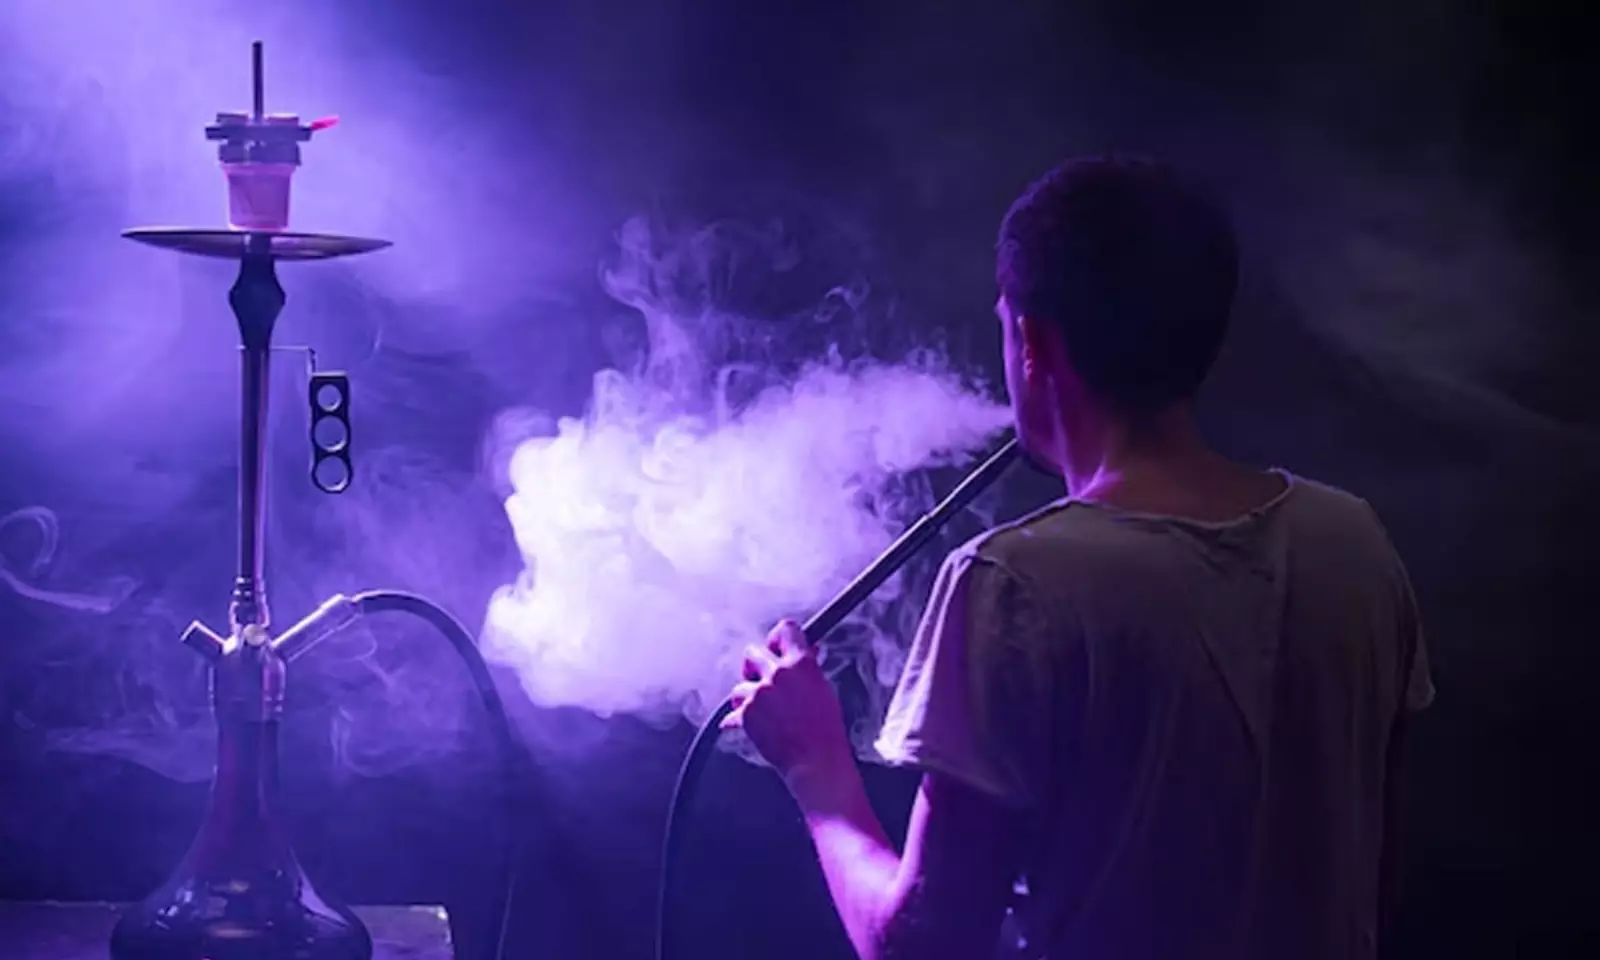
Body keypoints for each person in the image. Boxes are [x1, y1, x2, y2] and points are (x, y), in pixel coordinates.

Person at [723, 155, 1435, 960]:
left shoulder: (1014, 584)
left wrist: (817, 771)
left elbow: (920, 951)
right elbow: (1376, 877)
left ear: (1030, 341)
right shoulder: (1354, 543)